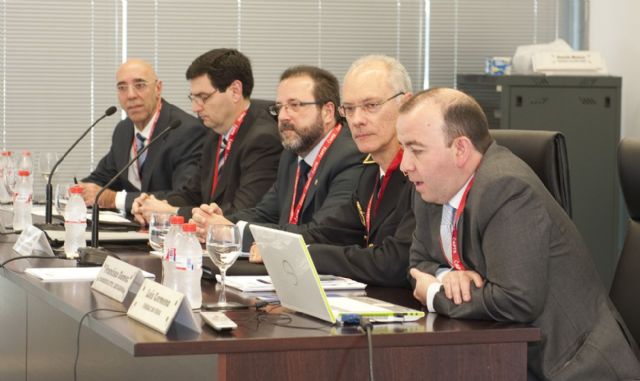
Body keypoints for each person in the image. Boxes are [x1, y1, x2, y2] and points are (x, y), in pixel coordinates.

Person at [399, 88, 640, 380]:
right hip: (500, 354)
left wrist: (436, 294)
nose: (405, 165)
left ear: (460, 149)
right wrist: (447, 276)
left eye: (416, 150)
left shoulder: (507, 189)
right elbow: (416, 264)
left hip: (568, 368)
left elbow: (516, 300)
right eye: (404, 149)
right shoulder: (430, 187)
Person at [250, 55, 415, 288]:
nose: (357, 120)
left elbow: (393, 262)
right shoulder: (370, 171)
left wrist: (307, 255)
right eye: (349, 109)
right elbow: (332, 230)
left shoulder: (420, 173)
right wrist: (279, 245)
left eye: (370, 106)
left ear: (405, 104)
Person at [192, 65, 364, 248]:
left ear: (327, 112)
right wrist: (220, 221)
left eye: (295, 105)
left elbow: (322, 232)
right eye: (279, 107)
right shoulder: (291, 155)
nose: (283, 117)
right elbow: (265, 213)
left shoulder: (350, 157)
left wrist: (232, 231)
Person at [131, 49, 281, 224]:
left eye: (203, 97)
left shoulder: (263, 140)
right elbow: (192, 193)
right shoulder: (214, 132)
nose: (195, 108)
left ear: (235, 91)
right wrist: (153, 205)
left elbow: (241, 213)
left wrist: (173, 212)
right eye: (193, 98)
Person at [80, 59, 206, 214]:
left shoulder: (185, 130)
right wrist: (78, 191)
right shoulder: (123, 130)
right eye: (122, 88)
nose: (131, 95)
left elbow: (184, 197)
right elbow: (102, 179)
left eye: (139, 85)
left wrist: (115, 199)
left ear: (158, 88)